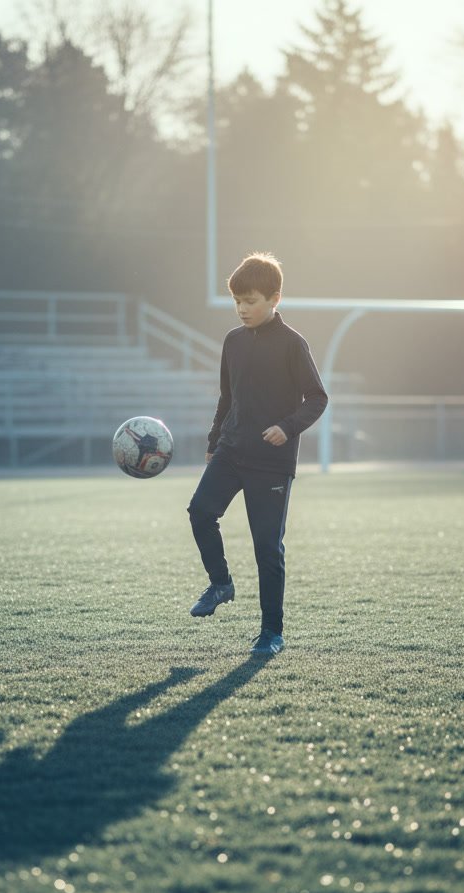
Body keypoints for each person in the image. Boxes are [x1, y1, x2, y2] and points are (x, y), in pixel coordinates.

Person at [187, 252, 328, 656]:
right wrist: (215, 444)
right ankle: (221, 583)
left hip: (271, 462)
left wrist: (287, 427)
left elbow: (317, 398)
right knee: (200, 512)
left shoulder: (292, 345)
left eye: (250, 301)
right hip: (231, 452)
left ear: (274, 299)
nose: (242, 309)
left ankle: (271, 633)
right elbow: (226, 398)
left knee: (267, 547)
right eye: (237, 301)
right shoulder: (232, 342)